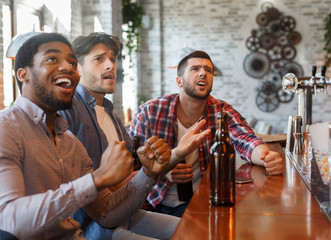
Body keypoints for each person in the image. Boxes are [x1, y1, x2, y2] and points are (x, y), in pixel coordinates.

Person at [0, 33, 207, 239]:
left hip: (101, 226)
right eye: (52, 59)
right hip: (95, 231)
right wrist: (98, 178)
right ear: (22, 74)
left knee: (202, 233)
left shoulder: (71, 142)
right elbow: (9, 221)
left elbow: (107, 212)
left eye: (72, 63)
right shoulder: (7, 128)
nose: (67, 68)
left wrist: (150, 173)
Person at [129, 50, 285, 217]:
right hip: (153, 204)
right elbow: (132, 165)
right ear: (179, 81)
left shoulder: (221, 111)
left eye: (208, 70)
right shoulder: (150, 111)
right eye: (195, 69)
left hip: (202, 203)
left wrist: (267, 157)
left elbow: (246, 139)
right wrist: (164, 172)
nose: (203, 72)